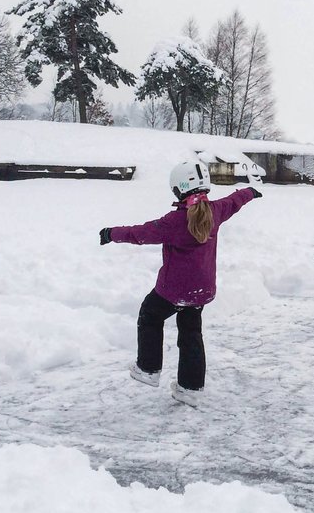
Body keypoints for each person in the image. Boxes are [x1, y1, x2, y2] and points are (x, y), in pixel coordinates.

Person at [100, 160, 261, 406]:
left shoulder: (175, 221)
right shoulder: (216, 210)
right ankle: (191, 387)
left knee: (150, 315)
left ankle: (148, 368)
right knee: (191, 332)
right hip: (202, 291)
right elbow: (234, 201)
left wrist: (111, 233)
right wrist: (250, 192)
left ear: (180, 188)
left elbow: (140, 233)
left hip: (173, 291)